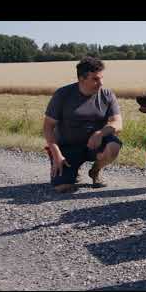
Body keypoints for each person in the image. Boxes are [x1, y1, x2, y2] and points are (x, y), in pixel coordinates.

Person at [43, 56, 123, 193]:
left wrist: (100, 133)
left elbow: (118, 123)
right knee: (64, 188)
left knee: (114, 145)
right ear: (81, 79)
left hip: (94, 146)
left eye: (102, 78)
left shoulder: (107, 95)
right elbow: (48, 127)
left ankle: (95, 171)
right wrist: (56, 154)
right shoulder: (62, 94)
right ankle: (73, 170)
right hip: (67, 147)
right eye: (95, 79)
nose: (101, 83)